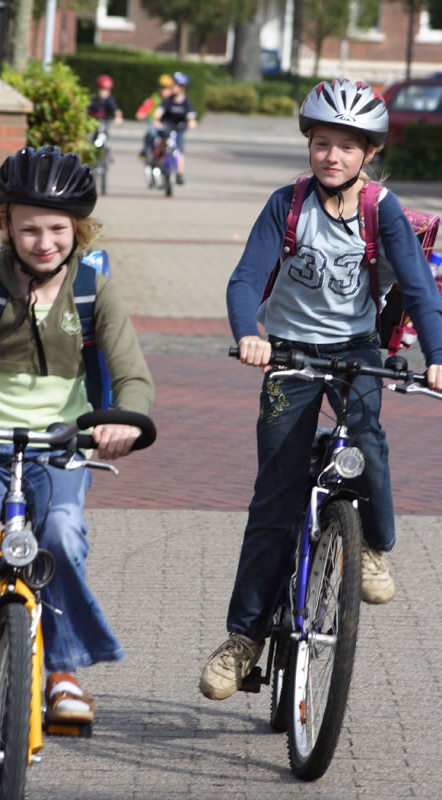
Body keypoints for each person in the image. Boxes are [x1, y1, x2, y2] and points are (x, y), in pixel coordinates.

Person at [0, 145, 154, 776]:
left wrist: (124, 418)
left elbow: (130, 374)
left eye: (57, 228)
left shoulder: (96, 292)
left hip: (61, 445)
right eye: (28, 227)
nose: (43, 241)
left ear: (79, 230)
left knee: (64, 538)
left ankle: (62, 671)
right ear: (6, 227)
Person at [199, 78, 442, 702]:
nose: (332, 155)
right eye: (322, 143)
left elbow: (418, 286)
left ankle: (374, 550)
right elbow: (246, 277)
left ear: (370, 153)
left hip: (356, 353)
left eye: (347, 146)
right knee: (274, 498)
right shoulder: (287, 203)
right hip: (286, 355)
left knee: (366, 440)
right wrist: (247, 332)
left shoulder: (381, 209)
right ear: (309, 143)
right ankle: (244, 639)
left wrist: (438, 356)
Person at [152, 71, 197, 184]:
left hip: (179, 128)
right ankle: (159, 157)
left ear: (182, 88)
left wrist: (191, 122)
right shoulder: (168, 100)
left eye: (176, 85)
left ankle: (179, 173)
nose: (173, 87)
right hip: (166, 126)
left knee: (180, 150)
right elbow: (159, 112)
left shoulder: (186, 102)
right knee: (164, 139)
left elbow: (191, 115)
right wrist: (156, 120)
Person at [135, 73, 174, 160]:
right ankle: (146, 151)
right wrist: (141, 114)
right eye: (162, 87)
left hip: (167, 125)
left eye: (167, 88)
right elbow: (142, 110)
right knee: (151, 133)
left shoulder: (172, 100)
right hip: (154, 124)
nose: (164, 91)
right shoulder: (154, 98)